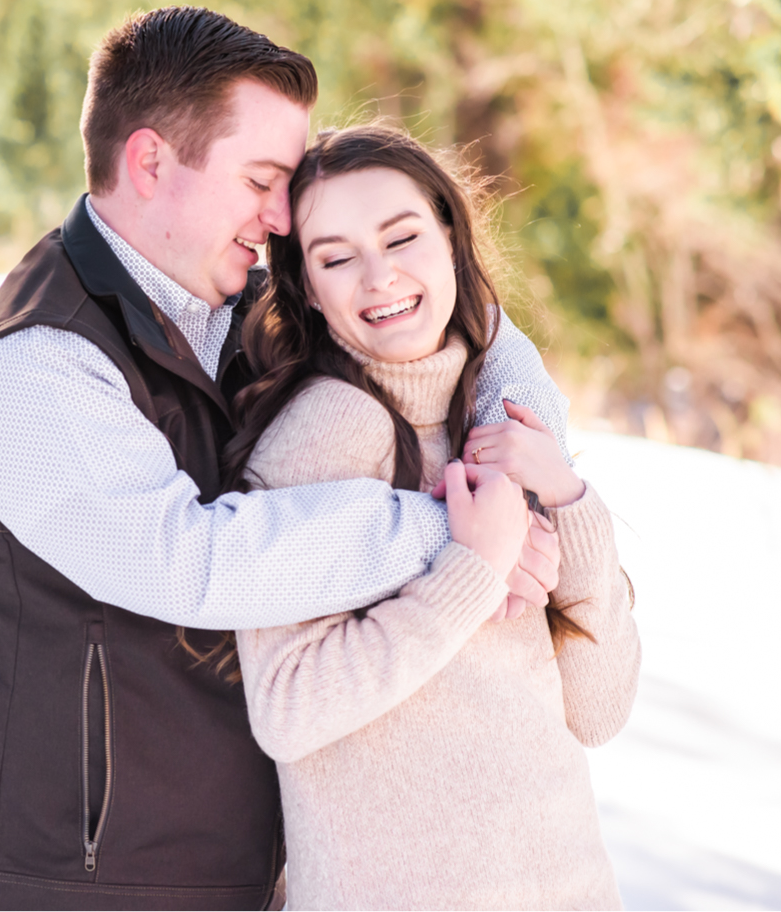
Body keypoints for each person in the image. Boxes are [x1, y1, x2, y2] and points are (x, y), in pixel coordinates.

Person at [0, 7, 570, 910]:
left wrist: (510, 481)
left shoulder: (246, 311)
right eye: (261, 179)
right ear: (150, 162)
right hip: (70, 885)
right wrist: (449, 536)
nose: (281, 216)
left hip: (244, 872)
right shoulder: (30, 368)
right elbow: (187, 560)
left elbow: (474, 329)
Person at [229, 124, 641, 910]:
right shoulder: (324, 434)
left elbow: (597, 709)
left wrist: (567, 498)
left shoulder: (494, 416)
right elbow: (287, 708)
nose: (378, 277)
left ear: (450, 238)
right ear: (308, 286)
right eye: (337, 256)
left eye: (402, 237)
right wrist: (471, 571)